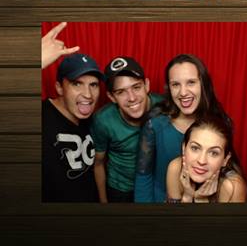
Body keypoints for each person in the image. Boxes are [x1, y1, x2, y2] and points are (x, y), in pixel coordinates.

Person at [135, 54, 230, 202]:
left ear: (203, 84)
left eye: (191, 82)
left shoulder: (219, 124)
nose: (183, 92)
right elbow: (143, 174)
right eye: (175, 85)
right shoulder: (156, 123)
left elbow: (227, 172)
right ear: (169, 88)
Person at [91, 56, 163, 203]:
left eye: (136, 87)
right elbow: (98, 163)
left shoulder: (164, 108)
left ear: (146, 85)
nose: (132, 98)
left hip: (154, 185)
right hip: (120, 189)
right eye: (121, 92)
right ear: (111, 97)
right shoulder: (103, 120)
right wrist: (103, 202)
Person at [42, 52, 104, 202]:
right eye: (77, 84)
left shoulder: (91, 118)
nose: (88, 94)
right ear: (59, 88)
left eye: (93, 85)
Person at [165, 115, 247, 203]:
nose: (201, 161)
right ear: (184, 148)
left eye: (214, 153)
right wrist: (187, 196)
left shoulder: (232, 186)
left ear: (225, 159)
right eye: (195, 148)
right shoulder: (175, 168)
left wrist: (201, 200)